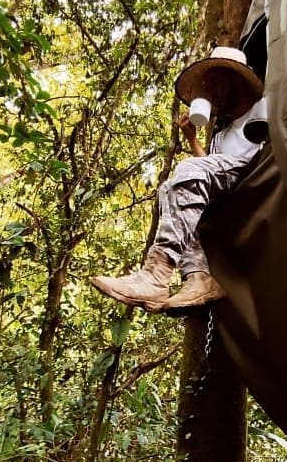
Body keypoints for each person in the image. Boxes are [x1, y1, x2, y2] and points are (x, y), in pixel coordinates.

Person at [90, 47, 266, 315]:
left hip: (258, 179)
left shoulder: (264, 107)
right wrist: (192, 140)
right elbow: (208, 171)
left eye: (216, 83)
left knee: (188, 170)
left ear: (236, 79)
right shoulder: (221, 135)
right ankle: (198, 276)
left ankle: (156, 274)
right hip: (229, 199)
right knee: (168, 189)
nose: (212, 94)